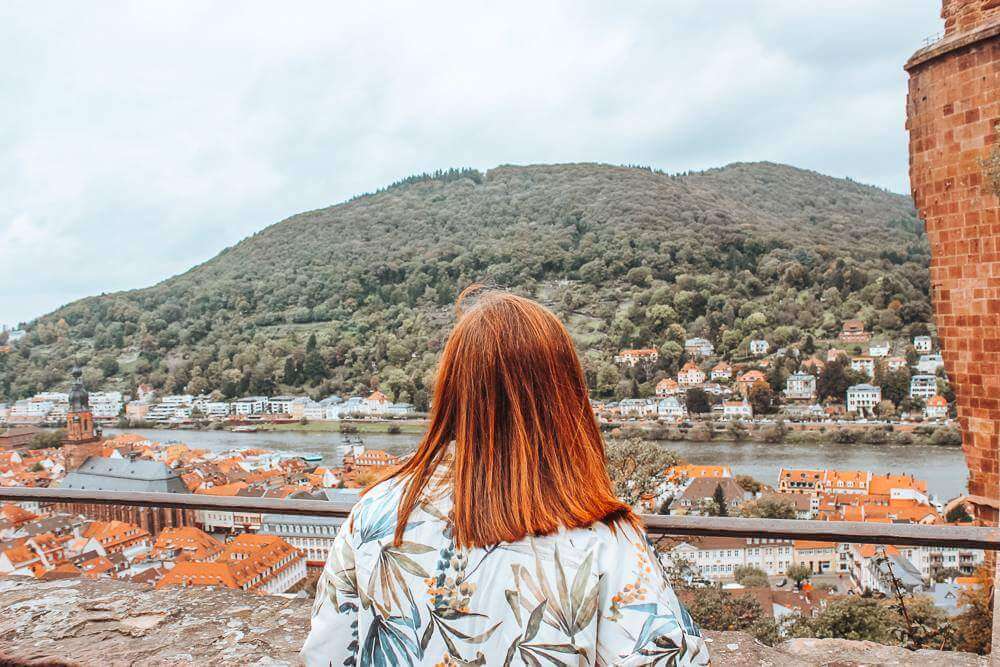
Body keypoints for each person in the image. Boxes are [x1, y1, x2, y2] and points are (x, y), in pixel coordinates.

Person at [303, 286, 708, 666]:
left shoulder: (375, 514)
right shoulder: (604, 539)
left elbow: (327, 654)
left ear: (452, 389)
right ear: (565, 397)